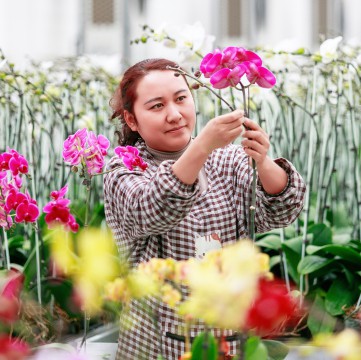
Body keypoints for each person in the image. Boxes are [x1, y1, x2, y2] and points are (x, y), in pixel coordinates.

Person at [103, 58, 306, 360]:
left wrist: (263, 161)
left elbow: (280, 212)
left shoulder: (227, 159)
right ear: (132, 120)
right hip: (156, 341)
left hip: (230, 337)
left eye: (181, 99)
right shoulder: (124, 169)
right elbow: (152, 209)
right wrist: (201, 148)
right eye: (157, 106)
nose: (174, 115)